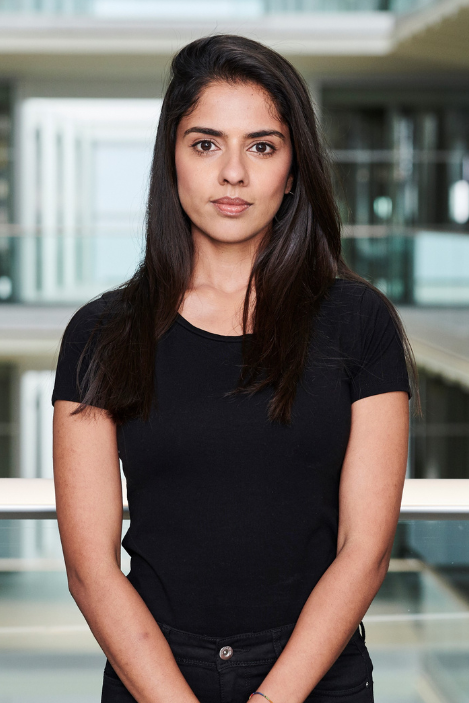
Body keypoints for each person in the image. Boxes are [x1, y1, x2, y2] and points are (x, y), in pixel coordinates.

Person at [52, 34, 421, 703]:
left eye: (261, 145)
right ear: (172, 158)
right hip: (151, 675)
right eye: (205, 143)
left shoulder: (358, 321)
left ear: (292, 167)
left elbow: (363, 549)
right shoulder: (100, 334)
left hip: (316, 674)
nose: (232, 173)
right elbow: (89, 568)